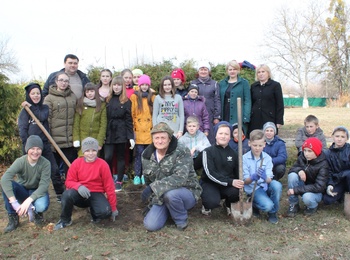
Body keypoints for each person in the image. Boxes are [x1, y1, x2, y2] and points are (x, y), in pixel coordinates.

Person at [141, 122, 202, 231]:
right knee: (151, 225)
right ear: (153, 139)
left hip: (186, 192)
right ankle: (169, 211)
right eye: (157, 138)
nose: (160, 141)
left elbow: (180, 178)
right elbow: (148, 180)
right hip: (161, 196)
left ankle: (181, 220)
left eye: (163, 138)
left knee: (171, 195)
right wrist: (151, 200)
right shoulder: (146, 155)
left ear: (169, 138)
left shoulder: (181, 151)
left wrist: (153, 188)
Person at [54, 137, 118, 230]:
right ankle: (65, 220)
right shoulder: (76, 163)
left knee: (105, 212)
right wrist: (79, 186)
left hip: (96, 193)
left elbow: (109, 187)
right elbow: (69, 181)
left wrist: (113, 207)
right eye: (87, 151)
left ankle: (94, 212)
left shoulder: (103, 164)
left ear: (97, 151)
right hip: (80, 194)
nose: (91, 153)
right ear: (83, 152)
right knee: (67, 195)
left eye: (93, 150)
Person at [18, 83, 65, 202]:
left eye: (38, 93)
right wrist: (27, 147)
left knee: (54, 169)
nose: (35, 96)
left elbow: (42, 117)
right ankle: (27, 196)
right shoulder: (24, 113)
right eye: (33, 93)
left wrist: (31, 107)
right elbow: (23, 130)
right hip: (31, 149)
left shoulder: (44, 108)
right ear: (28, 95)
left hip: (44, 146)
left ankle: (60, 193)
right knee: (30, 173)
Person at [1, 135, 51, 233]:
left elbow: (44, 186)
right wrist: (14, 203)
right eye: (32, 148)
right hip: (23, 190)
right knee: (6, 184)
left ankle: (37, 213)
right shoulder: (20, 162)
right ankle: (13, 218)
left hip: (37, 191)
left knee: (41, 206)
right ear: (27, 149)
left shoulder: (46, 163)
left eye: (38, 149)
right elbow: (4, 179)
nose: (35, 152)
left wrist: (29, 200)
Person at [201, 121, 244, 216]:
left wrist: (239, 182)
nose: (223, 136)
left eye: (226, 134)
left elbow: (237, 174)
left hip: (226, 185)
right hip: (210, 183)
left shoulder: (234, 154)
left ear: (230, 137)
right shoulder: (208, 152)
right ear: (215, 135)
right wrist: (230, 182)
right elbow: (209, 173)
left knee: (236, 191)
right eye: (220, 133)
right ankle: (206, 205)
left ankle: (228, 204)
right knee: (212, 202)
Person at [243, 130, 282, 224]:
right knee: (268, 205)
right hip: (253, 188)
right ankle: (254, 205)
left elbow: (269, 180)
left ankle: (273, 213)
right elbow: (245, 181)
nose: (257, 148)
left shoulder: (267, 158)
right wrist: (252, 177)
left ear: (264, 144)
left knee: (277, 185)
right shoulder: (244, 158)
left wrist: (264, 177)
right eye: (255, 145)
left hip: (265, 185)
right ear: (249, 143)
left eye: (260, 145)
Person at [44, 71, 77, 179]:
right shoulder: (49, 98)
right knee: (55, 170)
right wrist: (49, 140)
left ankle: (70, 191)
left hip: (70, 141)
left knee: (70, 169)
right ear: (56, 81)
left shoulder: (72, 96)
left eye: (66, 81)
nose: (63, 83)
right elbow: (46, 119)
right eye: (61, 80)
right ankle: (58, 193)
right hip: (55, 141)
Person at [104, 76, 134, 191]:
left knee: (121, 157)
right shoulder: (107, 100)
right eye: (115, 85)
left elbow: (128, 120)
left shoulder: (126, 101)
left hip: (121, 132)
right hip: (109, 131)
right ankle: (108, 178)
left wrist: (130, 136)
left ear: (122, 87)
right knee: (108, 156)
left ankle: (119, 180)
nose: (116, 87)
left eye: (119, 85)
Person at [286, 137, 329, 217]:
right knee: (292, 175)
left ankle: (312, 206)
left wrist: (295, 190)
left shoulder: (323, 165)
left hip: (316, 191)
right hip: (304, 185)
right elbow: (292, 169)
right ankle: (294, 204)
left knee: (307, 197)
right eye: (305, 150)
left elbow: (319, 187)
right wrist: (300, 170)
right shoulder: (302, 157)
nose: (306, 153)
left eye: (309, 151)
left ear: (316, 152)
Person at [130, 74, 155, 185]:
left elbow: (155, 114)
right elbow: (132, 114)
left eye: (146, 85)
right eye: (142, 84)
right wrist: (133, 130)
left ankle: (145, 175)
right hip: (139, 131)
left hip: (149, 131)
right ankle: (137, 175)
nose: (144, 87)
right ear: (139, 85)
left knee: (148, 155)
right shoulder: (134, 97)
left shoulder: (153, 97)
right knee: (138, 155)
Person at [190, 61, 221, 144]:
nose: (203, 71)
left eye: (205, 69)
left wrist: (217, 116)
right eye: (201, 69)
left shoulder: (214, 84)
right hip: (197, 115)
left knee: (210, 137)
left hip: (210, 114)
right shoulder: (193, 83)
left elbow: (217, 99)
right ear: (198, 71)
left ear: (208, 71)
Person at [73, 83, 107, 157]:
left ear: (95, 92)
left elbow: (103, 125)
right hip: (83, 137)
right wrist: (76, 139)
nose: (89, 94)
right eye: (87, 92)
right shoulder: (80, 104)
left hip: (95, 138)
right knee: (82, 158)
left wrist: (100, 142)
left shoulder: (102, 105)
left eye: (91, 91)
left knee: (93, 159)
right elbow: (76, 123)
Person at [248, 64, 284, 135]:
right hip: (255, 119)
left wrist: (279, 121)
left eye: (263, 72)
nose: (261, 74)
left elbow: (280, 104)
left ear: (268, 73)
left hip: (269, 118)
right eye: (259, 72)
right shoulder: (254, 86)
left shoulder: (275, 85)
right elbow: (251, 103)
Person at [219, 60, 251, 134]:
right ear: (227, 71)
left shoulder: (244, 83)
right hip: (225, 112)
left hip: (238, 114)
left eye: (234, 69)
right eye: (230, 69)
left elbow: (247, 100)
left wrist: (246, 117)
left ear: (238, 70)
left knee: (238, 135)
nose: (232, 71)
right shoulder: (222, 83)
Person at [323, 126, 350, 205]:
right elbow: (328, 171)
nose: (339, 139)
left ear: (347, 138)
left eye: (342, 137)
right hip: (337, 181)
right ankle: (341, 195)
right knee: (327, 200)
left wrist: (343, 175)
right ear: (332, 137)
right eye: (337, 136)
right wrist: (330, 184)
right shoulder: (327, 153)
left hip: (349, 178)